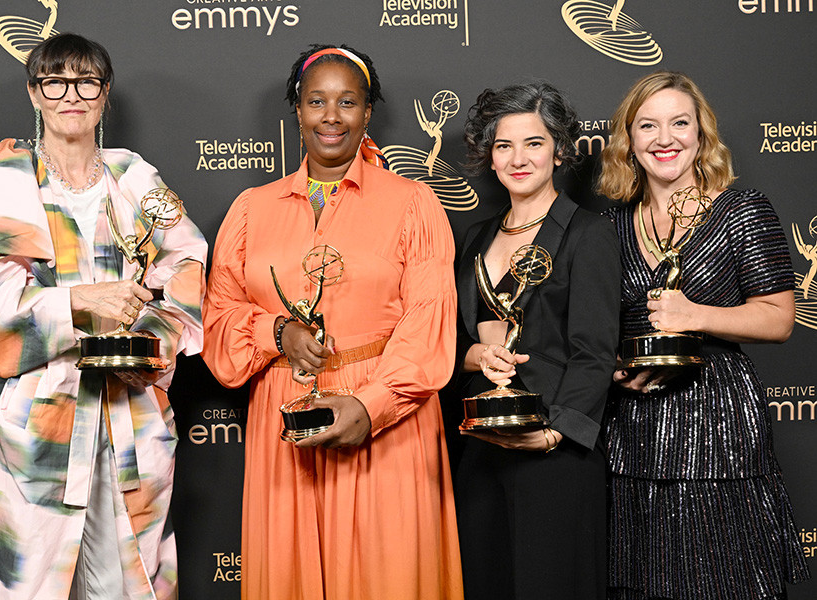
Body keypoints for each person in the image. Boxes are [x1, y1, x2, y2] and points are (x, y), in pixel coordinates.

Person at [0, 33, 207, 599]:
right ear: (34, 94)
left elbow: (188, 261)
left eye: (86, 82)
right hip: (41, 422)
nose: (71, 95)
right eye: (55, 82)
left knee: (132, 582)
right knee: (37, 585)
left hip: (131, 419)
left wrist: (151, 348)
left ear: (104, 95)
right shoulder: (7, 173)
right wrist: (79, 300)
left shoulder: (133, 176)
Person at [201, 44, 463, 599]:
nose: (331, 116)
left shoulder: (414, 202)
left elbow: (429, 324)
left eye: (348, 102)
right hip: (286, 426)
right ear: (296, 110)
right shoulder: (251, 208)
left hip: (387, 426)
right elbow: (219, 324)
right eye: (316, 101)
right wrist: (276, 332)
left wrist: (371, 407)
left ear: (368, 113)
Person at [598, 70, 809, 599]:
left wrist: (695, 313)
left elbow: (780, 317)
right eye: (648, 125)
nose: (664, 138)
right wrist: (611, 370)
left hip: (718, 427)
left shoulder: (741, 209)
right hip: (637, 429)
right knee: (643, 582)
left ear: (701, 134)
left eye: (679, 123)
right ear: (628, 139)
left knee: (729, 582)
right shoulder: (611, 224)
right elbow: (594, 326)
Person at [451, 82, 621, 599]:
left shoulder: (588, 233)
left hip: (555, 451)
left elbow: (595, 353)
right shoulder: (474, 238)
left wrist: (554, 435)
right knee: (488, 581)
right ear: (489, 155)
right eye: (504, 145)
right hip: (482, 445)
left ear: (560, 149)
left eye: (534, 142)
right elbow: (457, 338)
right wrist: (473, 355)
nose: (518, 158)